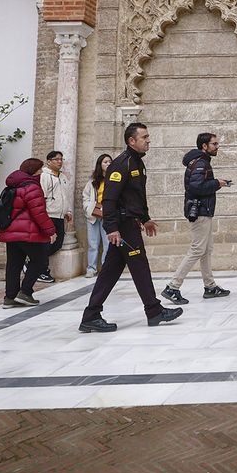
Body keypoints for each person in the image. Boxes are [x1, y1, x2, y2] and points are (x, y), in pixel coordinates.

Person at [78, 123, 183, 334]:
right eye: (144, 137)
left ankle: (91, 315)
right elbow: (109, 199)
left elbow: (135, 197)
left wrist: (145, 219)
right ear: (131, 141)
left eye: (148, 136)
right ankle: (153, 311)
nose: (148, 140)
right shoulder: (121, 164)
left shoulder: (137, 164)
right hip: (123, 226)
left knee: (110, 272)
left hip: (130, 223)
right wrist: (111, 228)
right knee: (139, 266)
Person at [163, 132, 231, 305]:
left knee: (206, 250)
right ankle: (173, 286)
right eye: (214, 144)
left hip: (203, 211)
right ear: (204, 146)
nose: (217, 147)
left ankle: (210, 286)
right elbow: (196, 186)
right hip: (200, 212)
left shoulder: (201, 161)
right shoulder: (201, 163)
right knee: (197, 250)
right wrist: (218, 183)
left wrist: (217, 182)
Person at [0, 157, 53, 308]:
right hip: (28, 232)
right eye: (40, 170)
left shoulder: (12, 186)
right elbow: (39, 213)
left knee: (14, 265)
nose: (41, 172)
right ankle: (25, 292)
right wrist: (50, 230)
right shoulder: (32, 187)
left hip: (11, 232)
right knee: (40, 261)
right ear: (33, 171)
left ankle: (10, 297)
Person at [39, 149, 72, 283]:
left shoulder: (62, 177)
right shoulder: (44, 176)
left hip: (60, 215)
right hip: (49, 214)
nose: (59, 162)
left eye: (61, 159)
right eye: (56, 159)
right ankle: (41, 270)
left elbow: (66, 195)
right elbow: (42, 196)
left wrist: (68, 211)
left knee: (58, 243)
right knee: (47, 244)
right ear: (49, 161)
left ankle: (32, 263)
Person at [81, 152, 113, 276]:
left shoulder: (113, 179)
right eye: (105, 162)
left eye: (110, 162)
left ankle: (105, 268)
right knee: (93, 243)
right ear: (100, 164)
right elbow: (86, 196)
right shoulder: (93, 181)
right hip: (93, 215)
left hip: (108, 215)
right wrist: (88, 208)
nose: (108, 164)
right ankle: (91, 268)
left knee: (107, 243)